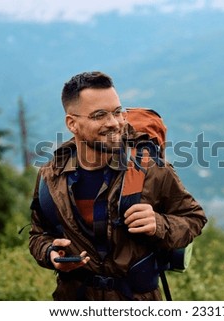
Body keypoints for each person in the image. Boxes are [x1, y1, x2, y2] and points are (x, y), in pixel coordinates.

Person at [29, 71, 207, 300]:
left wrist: (159, 223)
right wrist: (50, 252)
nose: (113, 123)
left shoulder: (149, 169)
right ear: (72, 123)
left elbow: (194, 218)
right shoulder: (51, 175)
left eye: (117, 112)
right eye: (99, 115)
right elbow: (38, 234)